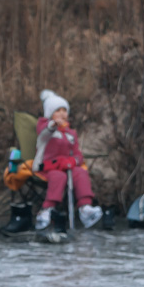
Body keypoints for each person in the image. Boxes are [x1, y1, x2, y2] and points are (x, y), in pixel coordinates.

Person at [32, 90, 102, 230]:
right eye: (58, 110)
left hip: (66, 166)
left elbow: (77, 154)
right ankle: (47, 209)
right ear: (50, 113)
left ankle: (85, 208)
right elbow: (45, 130)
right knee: (59, 177)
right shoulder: (45, 129)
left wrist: (74, 161)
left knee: (80, 173)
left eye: (65, 110)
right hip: (46, 167)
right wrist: (53, 124)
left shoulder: (71, 134)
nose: (62, 114)